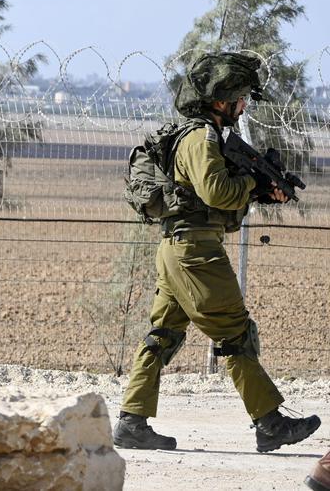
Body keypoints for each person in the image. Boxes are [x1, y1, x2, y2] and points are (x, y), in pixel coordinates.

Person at [114, 51, 320, 453]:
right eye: (241, 98)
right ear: (222, 100)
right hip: (196, 251)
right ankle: (269, 422)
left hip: (180, 248)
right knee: (235, 332)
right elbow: (217, 191)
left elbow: (214, 197)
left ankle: (132, 422)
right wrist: (249, 184)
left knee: (164, 334)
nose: (244, 106)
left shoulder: (201, 136)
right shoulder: (201, 137)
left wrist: (262, 189)